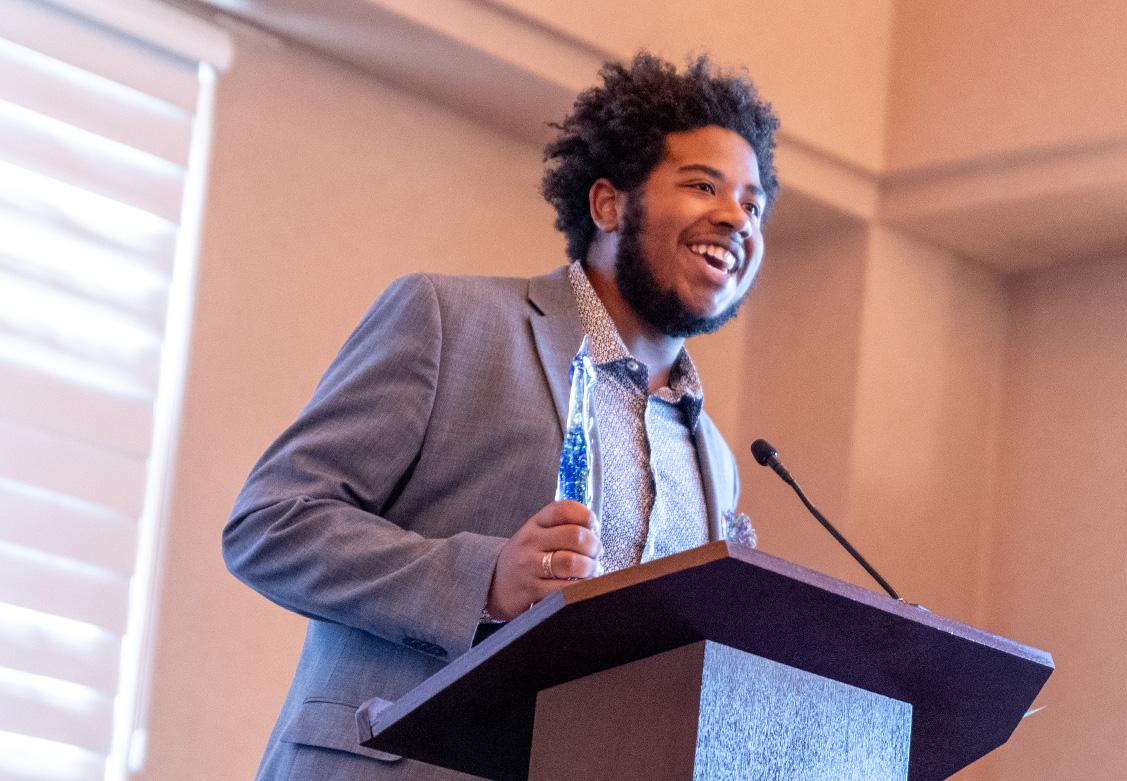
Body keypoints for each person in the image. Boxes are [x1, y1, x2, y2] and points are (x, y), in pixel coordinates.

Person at [223, 51, 779, 780]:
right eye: (704, 184)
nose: (736, 217)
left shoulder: (715, 460)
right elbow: (270, 524)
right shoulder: (450, 320)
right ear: (609, 204)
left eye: (753, 203)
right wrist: (485, 579)